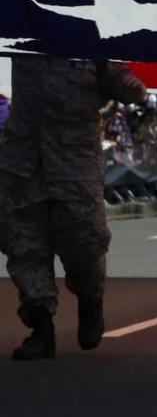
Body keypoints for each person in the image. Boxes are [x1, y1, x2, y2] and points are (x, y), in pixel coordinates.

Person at [1, 57, 146, 360]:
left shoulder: (88, 45)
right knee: (24, 247)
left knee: (86, 241)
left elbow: (119, 77)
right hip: (24, 160)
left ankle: (90, 298)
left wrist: (131, 87)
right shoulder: (24, 39)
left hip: (74, 162)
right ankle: (40, 327)